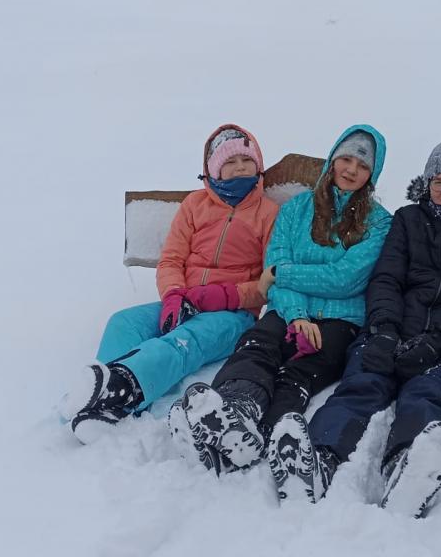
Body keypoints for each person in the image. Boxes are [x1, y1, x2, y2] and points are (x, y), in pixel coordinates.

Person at [267, 117, 441, 518]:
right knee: (361, 384)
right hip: (393, 327)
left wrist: (437, 341)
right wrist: (383, 330)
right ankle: (317, 459)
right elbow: (386, 279)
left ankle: (407, 467)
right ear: (427, 183)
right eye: (439, 181)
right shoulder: (408, 220)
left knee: (427, 392)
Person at [167, 125, 393, 475]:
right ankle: (236, 411)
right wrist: (296, 314)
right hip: (287, 309)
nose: (351, 170)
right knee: (256, 348)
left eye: (362, 166)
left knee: (298, 373)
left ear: (372, 174)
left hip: (340, 319)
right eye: (345, 159)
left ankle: (260, 435)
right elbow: (276, 259)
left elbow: (344, 279)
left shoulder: (378, 223)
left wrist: (281, 274)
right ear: (332, 160)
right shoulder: (297, 209)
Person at [61, 124, 279, 444]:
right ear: (213, 169)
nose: (240, 168)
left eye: (247, 161)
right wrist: (174, 295)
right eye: (230, 162)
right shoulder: (195, 204)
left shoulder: (269, 213)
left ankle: (122, 398)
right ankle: (99, 396)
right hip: (185, 301)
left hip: (234, 315)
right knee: (123, 323)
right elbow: (171, 259)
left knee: (180, 342)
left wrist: (226, 295)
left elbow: (269, 281)